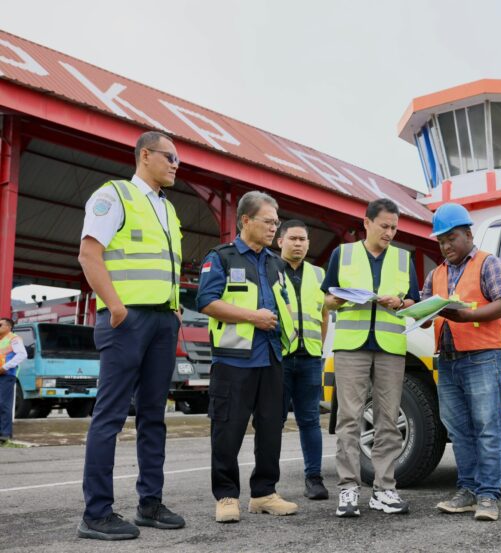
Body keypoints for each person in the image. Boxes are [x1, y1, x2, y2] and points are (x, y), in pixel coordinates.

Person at [77, 131, 186, 540]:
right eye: (170, 157)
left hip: (161, 322)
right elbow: (90, 253)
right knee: (110, 416)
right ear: (145, 155)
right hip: (126, 322)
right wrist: (116, 306)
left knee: (154, 416)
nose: (176, 165)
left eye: (178, 160)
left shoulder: (168, 209)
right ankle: (96, 513)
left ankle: (149, 504)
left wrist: (174, 310)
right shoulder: (115, 196)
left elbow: (167, 266)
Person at [197, 191, 299, 524]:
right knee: (228, 428)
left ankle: (264, 493)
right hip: (233, 360)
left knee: (271, 427)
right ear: (245, 221)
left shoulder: (275, 262)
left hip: (271, 357)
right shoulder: (222, 257)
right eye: (268, 221)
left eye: (276, 222)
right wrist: (252, 317)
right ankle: (226, 495)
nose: (274, 228)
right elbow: (207, 302)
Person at [321, 198, 420, 518]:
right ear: (366, 223)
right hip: (352, 345)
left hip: (390, 347)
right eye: (384, 226)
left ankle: (384, 489)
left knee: (388, 420)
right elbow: (328, 299)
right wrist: (340, 299)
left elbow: (413, 303)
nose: (390, 232)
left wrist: (399, 302)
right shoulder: (343, 254)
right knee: (349, 417)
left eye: (394, 227)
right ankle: (348, 488)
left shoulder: (405, 260)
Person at [421, 203, 501, 522]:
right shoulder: (436, 273)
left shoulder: (490, 264)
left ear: (468, 234)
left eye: (451, 238)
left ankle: (488, 495)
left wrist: (467, 316)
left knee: (487, 427)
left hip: (482, 357)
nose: (446, 246)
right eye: (441, 241)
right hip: (447, 360)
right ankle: (468, 489)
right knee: (459, 429)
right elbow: (424, 312)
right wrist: (414, 312)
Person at [278, 219, 330, 500]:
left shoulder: (319, 274)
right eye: (293, 238)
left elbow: (323, 315)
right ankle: (267, 483)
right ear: (280, 241)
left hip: (310, 357)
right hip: (280, 358)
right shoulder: (270, 270)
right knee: (272, 420)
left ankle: (314, 479)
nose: (298, 243)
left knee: (309, 420)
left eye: (303, 239)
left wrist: (317, 347)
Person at [0, 317, 28, 442]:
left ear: (8, 327)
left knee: (3, 403)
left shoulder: (14, 338)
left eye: (0, 324)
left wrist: (5, 367)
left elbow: (22, 354)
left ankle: (5, 433)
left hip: (6, 374)